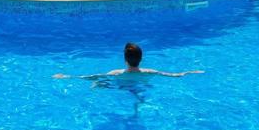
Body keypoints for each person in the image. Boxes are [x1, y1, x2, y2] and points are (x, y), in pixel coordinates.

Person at [53, 42, 204, 79]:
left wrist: (67, 76)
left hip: (121, 86)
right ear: (141, 59)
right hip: (141, 88)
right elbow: (175, 75)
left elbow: (91, 76)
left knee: (99, 82)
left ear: (125, 59)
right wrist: (191, 71)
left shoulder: (116, 73)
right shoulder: (149, 72)